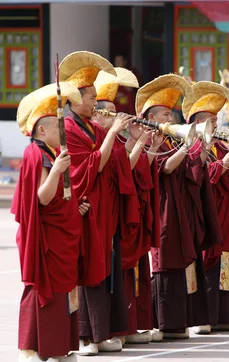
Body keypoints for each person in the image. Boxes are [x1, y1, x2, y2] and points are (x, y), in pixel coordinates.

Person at [59, 51, 137, 355]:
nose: (95, 102)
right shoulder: (68, 128)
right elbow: (91, 165)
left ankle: (103, 331)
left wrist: (134, 139)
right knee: (90, 268)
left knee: (105, 267)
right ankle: (87, 335)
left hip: (104, 209)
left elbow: (117, 162)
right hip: (86, 208)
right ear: (74, 100)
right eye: (91, 97)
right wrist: (112, 133)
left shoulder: (90, 127)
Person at [13, 82, 88, 362]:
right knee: (40, 288)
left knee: (65, 290)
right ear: (42, 131)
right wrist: (56, 169)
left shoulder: (52, 152)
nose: (63, 132)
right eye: (58, 128)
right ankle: (29, 352)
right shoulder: (37, 154)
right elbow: (42, 198)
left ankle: (59, 347)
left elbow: (62, 194)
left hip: (62, 235)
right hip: (44, 237)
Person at [92, 68, 164, 344]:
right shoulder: (94, 137)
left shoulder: (114, 138)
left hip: (119, 212)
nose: (112, 116)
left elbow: (129, 169)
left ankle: (126, 325)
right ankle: (105, 331)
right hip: (101, 212)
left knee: (126, 270)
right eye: (107, 112)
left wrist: (146, 142)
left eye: (114, 111)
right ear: (96, 114)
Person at [147, 75, 222, 339]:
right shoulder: (150, 141)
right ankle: (166, 323)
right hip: (165, 210)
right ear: (152, 117)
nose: (169, 119)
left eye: (170, 114)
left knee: (182, 259)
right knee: (166, 260)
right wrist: (189, 145)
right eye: (165, 114)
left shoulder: (170, 140)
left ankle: (182, 321)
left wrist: (203, 149)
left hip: (181, 211)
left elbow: (190, 171)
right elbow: (165, 167)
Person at [184, 82, 229, 333]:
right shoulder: (192, 147)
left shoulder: (220, 146)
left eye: (216, 121)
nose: (217, 126)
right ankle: (206, 318)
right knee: (210, 269)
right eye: (212, 121)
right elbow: (206, 175)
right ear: (198, 124)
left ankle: (228, 316)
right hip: (208, 218)